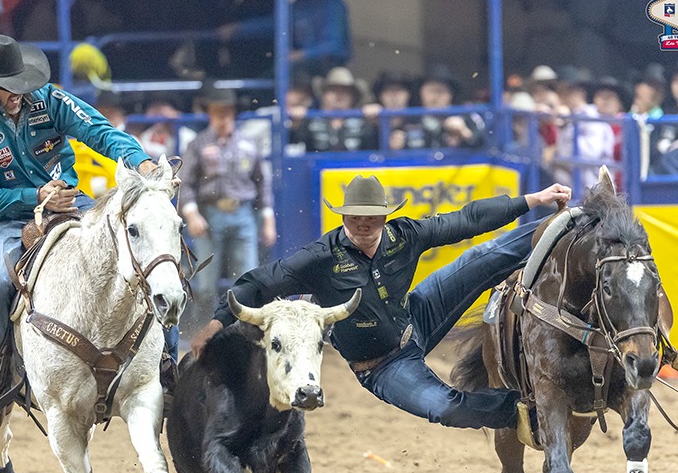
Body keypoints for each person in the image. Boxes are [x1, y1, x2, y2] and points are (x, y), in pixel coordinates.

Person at [191, 174, 571, 431]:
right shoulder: (321, 258)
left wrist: (533, 200)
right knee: (446, 407)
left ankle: (565, 229)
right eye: (355, 219)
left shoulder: (404, 235)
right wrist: (215, 323)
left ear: (385, 217)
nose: (363, 226)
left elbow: (465, 220)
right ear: (343, 217)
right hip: (382, 366)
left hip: (417, 317)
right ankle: (526, 412)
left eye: (371, 219)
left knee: (484, 256)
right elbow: (260, 282)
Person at [0, 34, 158, 434]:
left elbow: (96, 129)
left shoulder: (47, 97)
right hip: (10, 218)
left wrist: (139, 161)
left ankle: (162, 363)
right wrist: (34, 195)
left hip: (72, 206)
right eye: (11, 88)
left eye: (23, 85)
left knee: (143, 254)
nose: (20, 95)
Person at [179, 88, 275, 327]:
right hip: (210, 214)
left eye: (226, 112)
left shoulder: (248, 144)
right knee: (205, 282)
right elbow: (186, 183)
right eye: (217, 112)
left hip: (243, 213)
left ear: (233, 113)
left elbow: (261, 184)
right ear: (210, 113)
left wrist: (267, 219)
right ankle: (204, 329)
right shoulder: (198, 144)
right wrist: (192, 214)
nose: (222, 117)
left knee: (247, 276)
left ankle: (244, 330)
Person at [218, 0, 350, 78]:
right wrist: (239, 28)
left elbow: (336, 45)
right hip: (302, 68)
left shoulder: (334, 5)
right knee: (270, 79)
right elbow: (274, 24)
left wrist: (301, 54)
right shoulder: (298, 5)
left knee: (284, 73)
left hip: (328, 66)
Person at [292, 67, 376, 152]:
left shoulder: (363, 123)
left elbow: (377, 151)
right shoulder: (308, 119)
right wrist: (295, 124)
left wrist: (376, 123)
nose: (339, 96)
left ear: (353, 97)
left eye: (345, 91)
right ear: (323, 94)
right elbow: (292, 146)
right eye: (333, 90)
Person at [402, 65, 484, 150]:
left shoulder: (465, 116)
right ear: (421, 92)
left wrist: (464, 133)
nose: (435, 97)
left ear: (451, 95)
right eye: (431, 90)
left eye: (441, 91)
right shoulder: (410, 118)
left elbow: (486, 145)